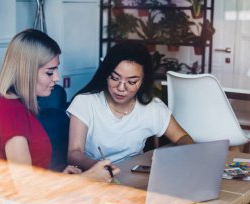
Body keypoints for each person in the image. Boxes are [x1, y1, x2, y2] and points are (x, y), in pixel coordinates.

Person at [0, 29, 119, 182]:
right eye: (49, 72)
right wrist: (89, 177)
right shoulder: (11, 114)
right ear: (26, 72)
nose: (57, 78)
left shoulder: (16, 107)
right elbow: (26, 189)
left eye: (56, 69)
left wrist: (59, 179)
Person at [67, 42, 193, 170]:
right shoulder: (85, 102)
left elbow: (183, 138)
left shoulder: (152, 108)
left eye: (132, 81)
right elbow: (74, 153)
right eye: (115, 78)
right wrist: (99, 167)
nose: (121, 88)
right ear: (106, 74)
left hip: (134, 177)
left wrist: (172, 156)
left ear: (144, 80)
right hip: (96, 178)